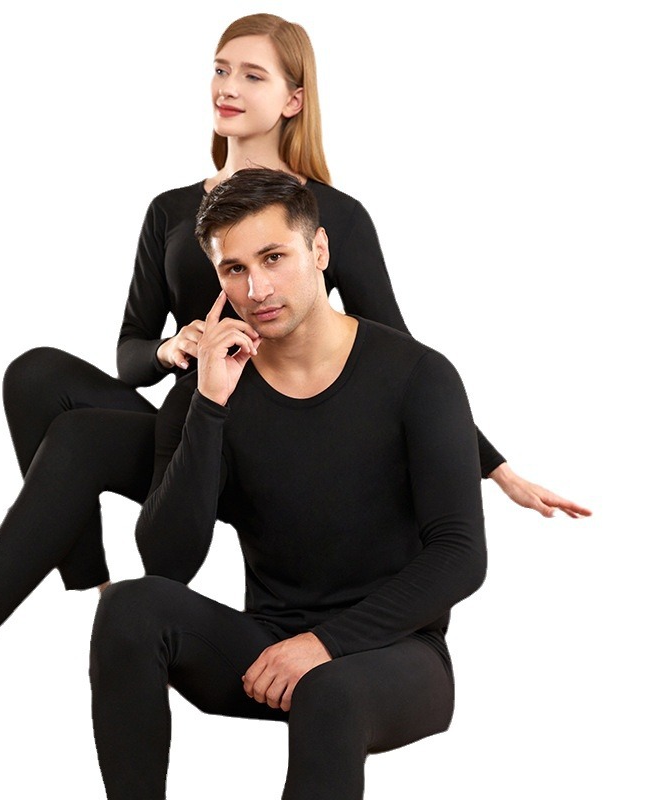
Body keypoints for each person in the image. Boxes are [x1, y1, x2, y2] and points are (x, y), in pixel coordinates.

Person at [0, 13, 588, 759]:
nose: (228, 87)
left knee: (84, 441)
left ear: (293, 100)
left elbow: (397, 357)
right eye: (220, 69)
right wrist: (172, 349)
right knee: (39, 380)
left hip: (275, 445)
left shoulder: (329, 215)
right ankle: (95, 595)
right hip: (195, 423)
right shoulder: (172, 210)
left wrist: (492, 465)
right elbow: (128, 354)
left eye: (252, 75)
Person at [90, 167, 488, 799]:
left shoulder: (419, 376)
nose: (257, 289)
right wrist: (210, 406)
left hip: (397, 652)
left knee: (330, 690)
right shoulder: (205, 391)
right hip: (266, 653)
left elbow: (461, 555)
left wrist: (324, 644)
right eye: (235, 269)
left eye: (274, 257)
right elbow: (166, 561)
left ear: (319, 250)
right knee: (128, 608)